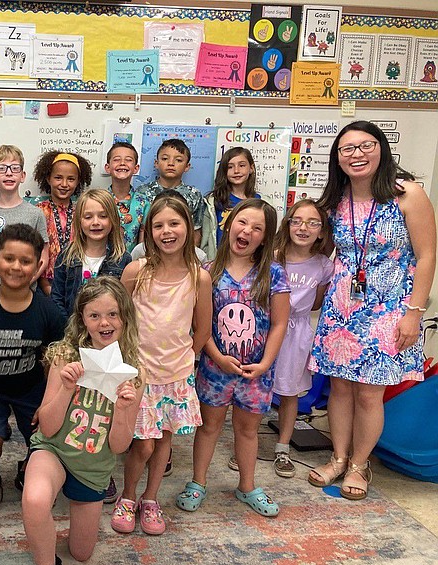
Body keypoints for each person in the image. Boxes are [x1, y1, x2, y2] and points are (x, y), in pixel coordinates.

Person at [308, 120, 436, 501]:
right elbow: (325, 253)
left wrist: (414, 311)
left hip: (389, 308)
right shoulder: (335, 200)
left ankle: (360, 465)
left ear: (381, 148)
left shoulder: (407, 194)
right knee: (339, 389)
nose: (357, 154)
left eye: (365, 145)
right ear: (338, 158)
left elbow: (427, 256)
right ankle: (338, 456)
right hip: (341, 307)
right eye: (347, 149)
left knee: (369, 394)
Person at [18, 276, 142, 565]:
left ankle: (66, 515)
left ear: (125, 317)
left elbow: (118, 446)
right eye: (95, 315)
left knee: (82, 552)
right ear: (82, 320)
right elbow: (46, 427)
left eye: (113, 314)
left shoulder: (133, 373)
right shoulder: (64, 356)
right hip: (54, 451)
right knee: (34, 499)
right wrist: (66, 388)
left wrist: (125, 410)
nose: (104, 322)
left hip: (93, 467)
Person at [176, 199, 290, 518]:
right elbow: (201, 324)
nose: (247, 231)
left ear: (266, 237)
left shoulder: (274, 274)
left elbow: (280, 322)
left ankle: (247, 485)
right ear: (229, 225)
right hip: (215, 369)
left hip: (257, 372)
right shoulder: (208, 272)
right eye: (242, 223)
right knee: (209, 426)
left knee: (248, 429)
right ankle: (198, 481)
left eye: (257, 228)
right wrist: (215, 356)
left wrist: (266, 363)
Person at [111, 193, 212, 535]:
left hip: (176, 374)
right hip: (140, 375)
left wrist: (184, 357)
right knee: (143, 444)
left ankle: (151, 499)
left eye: (174, 223)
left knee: (164, 442)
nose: (167, 231)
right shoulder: (136, 271)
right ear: (148, 231)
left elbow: (203, 329)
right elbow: (118, 320)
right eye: (158, 225)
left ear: (189, 228)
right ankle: (128, 496)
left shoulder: (199, 277)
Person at [0, 224, 65, 515]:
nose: (16, 267)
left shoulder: (48, 312)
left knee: (42, 441)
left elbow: (57, 360)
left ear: (37, 266)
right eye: (9, 259)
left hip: (31, 389)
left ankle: (31, 470)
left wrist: (48, 402)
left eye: (25, 261)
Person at [270, 200, 333, 478]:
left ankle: (282, 447)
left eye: (312, 223)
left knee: (289, 391)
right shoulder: (273, 257)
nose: (303, 228)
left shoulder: (323, 266)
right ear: (288, 224)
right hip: (268, 329)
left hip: (296, 334)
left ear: (321, 232)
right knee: (257, 389)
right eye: (297, 220)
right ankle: (243, 445)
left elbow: (317, 304)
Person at [51, 188, 131, 320]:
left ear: (113, 219)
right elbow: (57, 298)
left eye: (103, 216)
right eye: (88, 217)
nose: (95, 222)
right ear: (79, 221)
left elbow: (124, 306)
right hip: (70, 332)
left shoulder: (123, 259)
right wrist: (70, 330)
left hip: (106, 331)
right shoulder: (66, 256)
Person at [0, 144, 49, 288]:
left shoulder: (35, 214)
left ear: (22, 176)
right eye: (1, 168)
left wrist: (24, 283)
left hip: (26, 291)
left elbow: (44, 255)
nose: (9, 173)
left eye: (15, 168)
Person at [29, 151, 93, 294]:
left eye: (71, 179)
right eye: (58, 178)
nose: (64, 184)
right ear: (48, 178)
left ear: (78, 181)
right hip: (42, 283)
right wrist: (45, 285)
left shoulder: (83, 211)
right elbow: (34, 251)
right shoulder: (38, 211)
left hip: (78, 282)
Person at [134, 139, 205, 245]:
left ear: (187, 166)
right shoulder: (142, 192)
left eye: (179, 160)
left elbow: (196, 231)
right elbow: (139, 229)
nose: (171, 163)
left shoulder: (194, 195)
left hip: (180, 255)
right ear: (156, 163)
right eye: (165, 158)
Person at [201, 147, 260, 260]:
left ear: (251, 168)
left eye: (242, 165)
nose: (236, 171)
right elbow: (205, 240)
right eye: (230, 167)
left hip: (251, 264)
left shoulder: (261, 202)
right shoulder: (213, 201)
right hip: (219, 263)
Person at [103, 142, 146, 253]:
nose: (122, 163)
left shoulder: (144, 203)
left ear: (136, 168)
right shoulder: (99, 200)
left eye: (128, 160)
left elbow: (142, 244)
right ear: (107, 167)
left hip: (132, 265)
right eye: (117, 159)